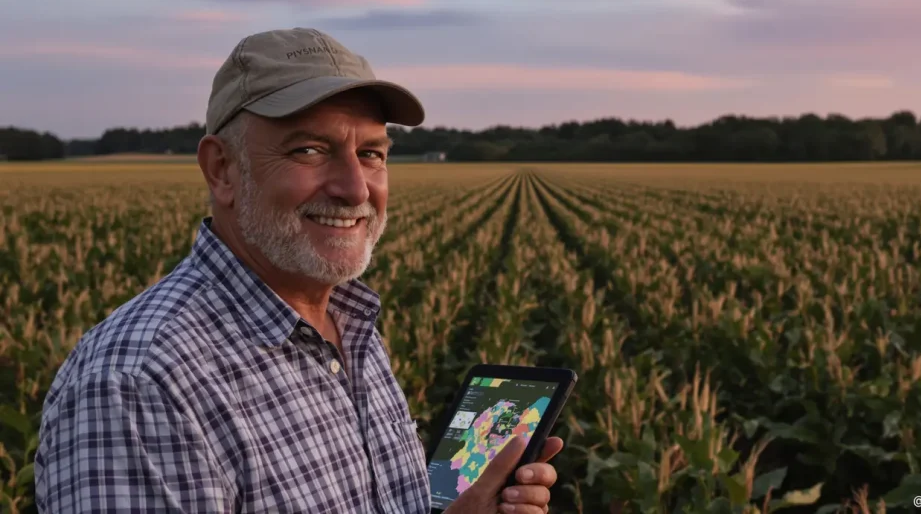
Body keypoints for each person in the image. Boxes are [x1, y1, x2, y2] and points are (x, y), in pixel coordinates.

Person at [33, 27, 562, 513]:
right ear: (222, 170)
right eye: (310, 149)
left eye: (373, 154)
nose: (356, 189)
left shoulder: (348, 324)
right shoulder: (139, 384)